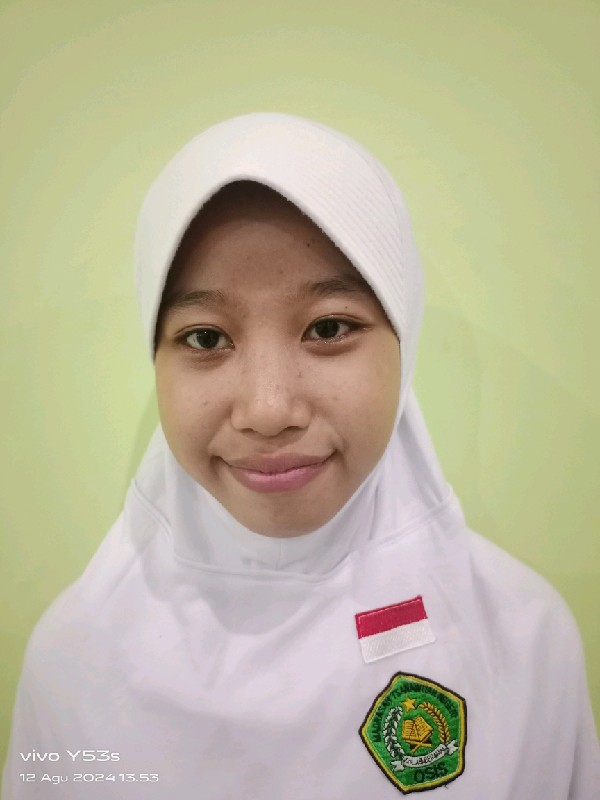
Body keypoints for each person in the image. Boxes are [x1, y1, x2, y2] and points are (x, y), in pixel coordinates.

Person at [2, 112, 599, 799]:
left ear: (404, 344)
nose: (268, 410)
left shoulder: (523, 640)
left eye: (329, 327)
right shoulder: (76, 661)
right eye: (205, 338)